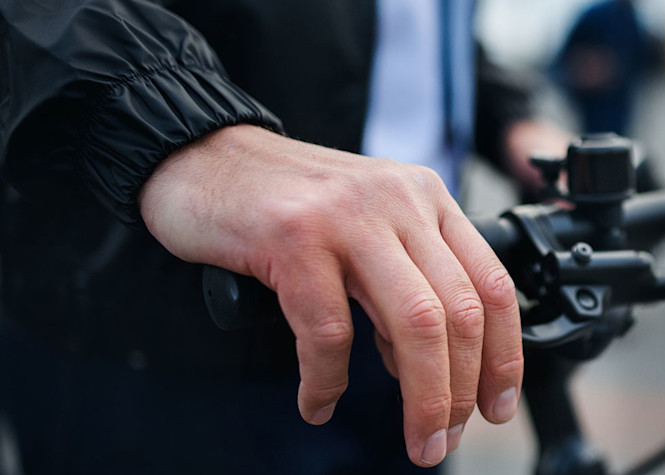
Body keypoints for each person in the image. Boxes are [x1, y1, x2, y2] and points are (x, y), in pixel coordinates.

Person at [0, 0, 572, 472]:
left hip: (411, 305)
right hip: (169, 338)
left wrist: (510, 117)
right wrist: (177, 126)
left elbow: (412, 30)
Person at [551, 0, 664, 136]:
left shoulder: (635, 22)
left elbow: (646, 65)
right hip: (592, 122)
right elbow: (559, 66)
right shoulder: (594, 16)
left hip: (623, 122)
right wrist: (587, 69)